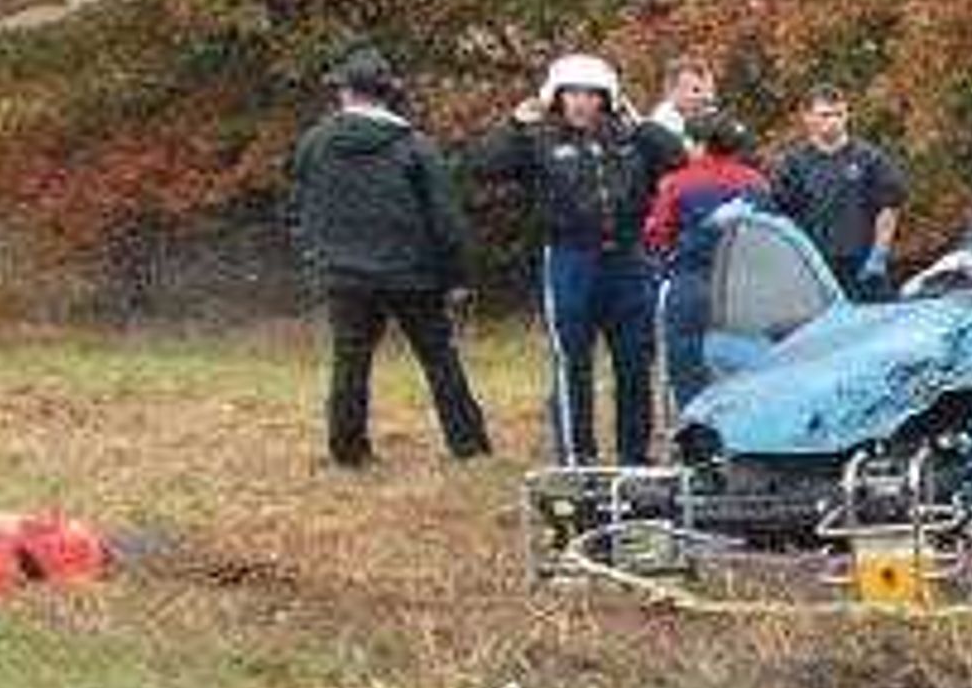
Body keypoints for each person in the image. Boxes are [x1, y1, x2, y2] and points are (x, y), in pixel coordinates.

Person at [285, 48, 492, 470]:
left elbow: (296, 204)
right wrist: (458, 276)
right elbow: (445, 217)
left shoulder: (315, 142)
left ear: (344, 92)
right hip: (411, 273)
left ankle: (348, 451)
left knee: (350, 363)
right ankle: (468, 446)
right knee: (439, 359)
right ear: (387, 93)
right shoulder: (415, 146)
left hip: (343, 273)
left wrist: (314, 253)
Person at [470, 53, 681, 465]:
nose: (583, 102)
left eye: (592, 94)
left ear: (607, 98)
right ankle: (577, 457)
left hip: (628, 258)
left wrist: (640, 123)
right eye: (573, 94)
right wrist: (515, 125)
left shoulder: (629, 139)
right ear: (557, 97)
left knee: (635, 360)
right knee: (572, 360)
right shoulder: (538, 140)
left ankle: (634, 457)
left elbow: (676, 158)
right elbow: (482, 166)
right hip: (570, 258)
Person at [644, 114, 774, 411]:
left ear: (701, 144)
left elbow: (658, 236)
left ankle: (695, 440)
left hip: (691, 284)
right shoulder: (757, 182)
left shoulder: (677, 183)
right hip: (746, 287)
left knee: (686, 366)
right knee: (746, 366)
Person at [769, 87, 909, 299]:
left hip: (861, 265)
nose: (833, 121)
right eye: (825, 115)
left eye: (839, 114)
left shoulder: (869, 159)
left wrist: (879, 255)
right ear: (808, 118)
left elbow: (889, 207)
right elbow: (781, 215)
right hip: (814, 267)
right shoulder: (793, 164)